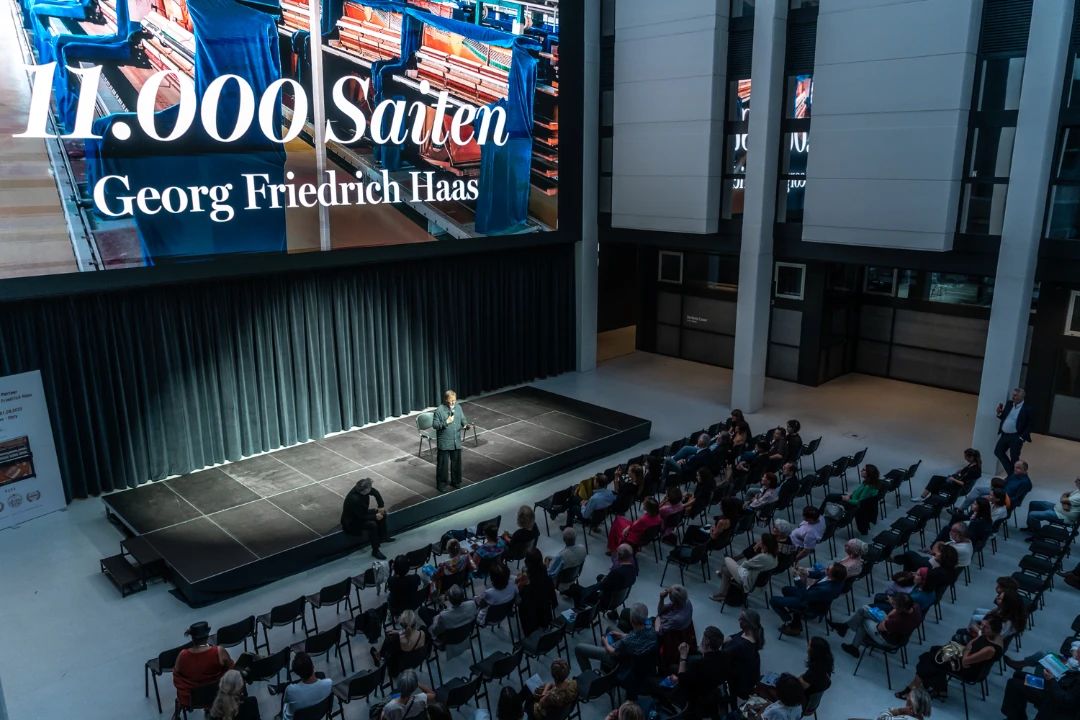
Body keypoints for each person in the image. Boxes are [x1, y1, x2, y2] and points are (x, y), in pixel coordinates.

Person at [900, 615, 1004, 701]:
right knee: (935, 650)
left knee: (929, 658)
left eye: (986, 627)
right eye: (982, 625)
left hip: (968, 670)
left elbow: (966, 661)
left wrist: (967, 650)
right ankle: (939, 689)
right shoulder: (990, 635)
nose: (981, 628)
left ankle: (913, 688)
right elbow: (971, 644)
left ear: (994, 631)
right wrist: (967, 649)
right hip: (964, 657)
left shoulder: (990, 649)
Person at [574, 603, 659, 694]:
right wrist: (622, 635)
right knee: (610, 628)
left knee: (579, 649)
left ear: (632, 620)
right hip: (633, 656)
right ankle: (604, 667)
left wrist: (604, 641)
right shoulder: (651, 628)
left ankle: (590, 681)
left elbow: (612, 651)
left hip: (619, 658)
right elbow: (636, 636)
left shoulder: (627, 642)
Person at [1001, 640, 1080, 719]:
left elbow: (1066, 700)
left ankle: (1015, 717)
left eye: (1078, 655)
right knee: (1018, 675)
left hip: (1051, 695)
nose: (1076, 657)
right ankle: (1017, 716)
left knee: (1013, 684)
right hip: (1054, 684)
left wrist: (1051, 679)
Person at [829, 592, 922, 658]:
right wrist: (890, 615)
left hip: (887, 640)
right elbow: (893, 612)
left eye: (894, 604)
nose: (892, 605)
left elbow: (880, 627)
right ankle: (846, 630)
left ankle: (851, 641)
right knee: (863, 610)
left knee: (863, 619)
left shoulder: (898, 621)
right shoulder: (915, 607)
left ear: (900, 609)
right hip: (897, 634)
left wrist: (887, 618)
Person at [771, 563, 848, 636]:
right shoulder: (838, 579)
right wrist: (806, 572)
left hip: (809, 604)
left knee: (773, 600)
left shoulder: (826, 589)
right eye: (828, 567)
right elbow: (821, 575)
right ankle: (796, 618)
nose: (826, 569)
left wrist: (797, 577)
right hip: (812, 596)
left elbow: (804, 595)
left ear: (833, 576)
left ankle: (790, 621)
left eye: (828, 569)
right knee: (786, 590)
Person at [173, 622, 232, 715]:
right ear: (207, 636)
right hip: (218, 693)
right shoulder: (218, 652)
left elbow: (176, 675)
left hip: (194, 700)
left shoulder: (183, 655)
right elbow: (231, 668)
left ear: (192, 638)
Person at [674, 626, 730, 720]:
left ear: (707, 641)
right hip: (713, 691)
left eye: (703, 638)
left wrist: (683, 657)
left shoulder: (698, 665)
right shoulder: (724, 656)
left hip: (696, 699)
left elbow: (682, 682)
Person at [570, 543, 637, 614]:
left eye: (617, 552)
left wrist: (585, 591)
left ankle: (581, 613)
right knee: (600, 576)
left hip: (605, 602)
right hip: (620, 598)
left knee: (575, 589)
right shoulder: (633, 570)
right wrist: (606, 579)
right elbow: (609, 582)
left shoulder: (616, 573)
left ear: (619, 555)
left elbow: (600, 586)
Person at [712, 533, 779, 602]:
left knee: (727, 559)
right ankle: (722, 594)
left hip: (748, 581)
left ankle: (723, 592)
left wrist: (756, 551)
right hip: (758, 584)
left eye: (761, 541)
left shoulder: (763, 557)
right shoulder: (775, 558)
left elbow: (745, 565)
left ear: (765, 545)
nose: (759, 541)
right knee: (725, 570)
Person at [340, 477, 391, 560]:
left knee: (383, 513)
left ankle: (383, 537)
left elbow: (375, 493)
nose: (371, 489)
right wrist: (375, 516)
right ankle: (375, 551)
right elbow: (361, 517)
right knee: (372, 525)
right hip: (352, 522)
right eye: (369, 488)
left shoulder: (364, 489)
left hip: (361, 513)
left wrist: (381, 506)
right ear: (365, 490)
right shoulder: (354, 499)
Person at [893, 522, 973, 571]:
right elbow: (940, 549)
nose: (950, 532)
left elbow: (938, 553)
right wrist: (937, 549)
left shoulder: (959, 549)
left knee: (909, 554)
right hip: (941, 563)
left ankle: (896, 561)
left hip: (937, 568)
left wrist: (937, 547)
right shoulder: (967, 541)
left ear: (958, 534)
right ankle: (906, 575)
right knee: (909, 560)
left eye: (952, 531)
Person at [371, 610, 429, 677]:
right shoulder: (423, 633)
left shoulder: (397, 639)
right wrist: (400, 632)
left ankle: (378, 656)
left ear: (402, 625)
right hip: (415, 662)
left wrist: (395, 635)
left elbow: (387, 651)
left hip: (400, 665)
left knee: (388, 641)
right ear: (415, 622)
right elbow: (410, 634)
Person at [433, 389, 470, 492]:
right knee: (443, 466)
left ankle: (456, 481)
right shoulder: (439, 410)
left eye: (454, 400)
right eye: (451, 400)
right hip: (444, 442)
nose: (453, 402)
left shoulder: (458, 407)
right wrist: (446, 422)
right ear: (446, 399)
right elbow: (435, 425)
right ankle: (441, 484)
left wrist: (465, 425)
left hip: (455, 441)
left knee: (456, 463)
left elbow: (462, 418)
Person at [724, 610, 764, 701]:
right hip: (748, 671)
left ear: (748, 623)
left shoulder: (741, 645)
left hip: (738, 678)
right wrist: (730, 638)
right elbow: (736, 635)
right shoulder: (755, 631)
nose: (739, 620)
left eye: (741, 619)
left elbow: (723, 654)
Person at [425, 585, 478, 655]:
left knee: (423, 613)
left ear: (449, 599)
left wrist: (435, 620)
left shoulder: (444, 616)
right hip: (466, 634)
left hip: (448, 643)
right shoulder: (472, 604)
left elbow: (435, 632)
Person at [958, 460, 1032, 509]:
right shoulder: (1015, 474)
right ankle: (961, 509)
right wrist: (995, 487)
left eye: (1018, 468)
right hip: (999, 491)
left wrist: (996, 499)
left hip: (1004, 499)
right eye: (1015, 467)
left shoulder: (1025, 483)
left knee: (981, 499)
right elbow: (1005, 481)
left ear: (1025, 470)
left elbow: (1016, 499)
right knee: (978, 489)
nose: (1015, 469)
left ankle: (972, 517)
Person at [517, 548, 557, 636]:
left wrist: (519, 584)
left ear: (527, 562)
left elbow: (520, 597)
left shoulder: (527, 585)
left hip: (531, 620)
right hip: (545, 616)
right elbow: (553, 600)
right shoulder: (547, 578)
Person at [281, 652, 332, 720]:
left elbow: (286, 712)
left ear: (298, 674)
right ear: (313, 666)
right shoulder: (328, 683)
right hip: (319, 715)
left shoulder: (290, 690)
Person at [995, 387, 1032, 470]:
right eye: (1013, 395)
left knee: (1014, 457)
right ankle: (1011, 473)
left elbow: (1030, 425)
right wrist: (999, 413)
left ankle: (1014, 475)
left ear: (1022, 397)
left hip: (1016, 436)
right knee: (998, 451)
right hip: (1005, 435)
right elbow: (1004, 417)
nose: (1013, 397)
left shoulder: (1027, 409)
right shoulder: (1009, 404)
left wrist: (1021, 438)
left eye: (1016, 395)